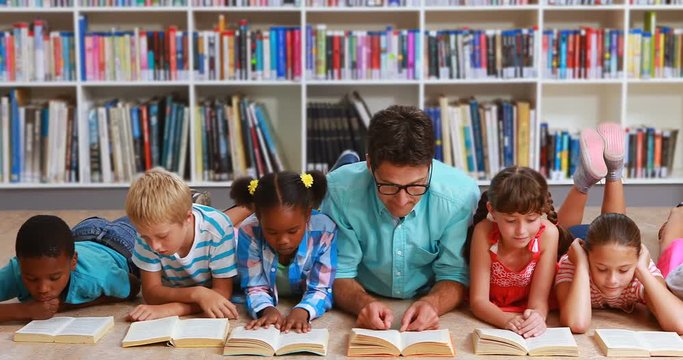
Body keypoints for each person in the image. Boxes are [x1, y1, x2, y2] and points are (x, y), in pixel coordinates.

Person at [321, 105, 480, 331]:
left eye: (415, 185)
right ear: (369, 164)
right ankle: (346, 162)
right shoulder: (338, 191)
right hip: (366, 288)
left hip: (426, 290)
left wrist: (433, 303)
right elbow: (340, 272)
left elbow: (454, 273)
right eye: (388, 185)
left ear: (429, 165)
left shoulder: (460, 196)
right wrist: (362, 303)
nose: (402, 200)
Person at [555, 124, 683, 334]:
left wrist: (640, 270)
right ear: (587, 258)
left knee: (618, 228)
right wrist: (582, 266)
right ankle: (590, 180)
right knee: (558, 236)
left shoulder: (640, 270)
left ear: (637, 257)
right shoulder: (573, 263)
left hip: (610, 245)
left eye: (623, 270)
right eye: (602, 269)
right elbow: (576, 324)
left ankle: (610, 171)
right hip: (580, 239)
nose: (613, 280)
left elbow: (680, 323)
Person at [231, 171, 337, 334]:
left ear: (308, 214)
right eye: (272, 232)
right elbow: (254, 286)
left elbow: (321, 287)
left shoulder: (324, 231)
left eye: (292, 231)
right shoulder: (250, 231)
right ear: (258, 217)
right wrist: (266, 309)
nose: (283, 240)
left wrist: (304, 310)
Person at [126, 168, 238, 321]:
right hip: (188, 285)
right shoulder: (148, 231)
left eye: (163, 236)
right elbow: (151, 293)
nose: (155, 246)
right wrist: (198, 294)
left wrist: (170, 309)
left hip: (214, 233)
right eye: (146, 238)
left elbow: (222, 293)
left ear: (188, 218)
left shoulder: (219, 228)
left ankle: (246, 205)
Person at [468, 166, 560, 338]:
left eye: (531, 219)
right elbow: (478, 301)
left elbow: (539, 302)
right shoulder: (483, 232)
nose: (521, 231)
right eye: (511, 221)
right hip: (496, 306)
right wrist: (505, 320)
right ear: (492, 211)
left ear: (541, 212)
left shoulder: (548, 234)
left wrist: (537, 318)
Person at [0, 215, 140, 322]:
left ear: (73, 262)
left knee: (143, 217)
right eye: (31, 278)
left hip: (123, 243)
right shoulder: (16, 270)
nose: (43, 288)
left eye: (54, 278)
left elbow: (133, 286)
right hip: (82, 233)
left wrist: (67, 306)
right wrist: (23, 311)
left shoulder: (96, 276)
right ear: (19, 263)